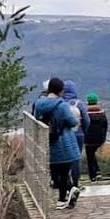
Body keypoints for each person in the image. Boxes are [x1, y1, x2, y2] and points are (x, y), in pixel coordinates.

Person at [33, 78, 81, 209]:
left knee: (55, 172)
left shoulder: (38, 104)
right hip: (63, 141)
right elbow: (72, 122)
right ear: (61, 91)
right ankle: (64, 196)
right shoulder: (62, 105)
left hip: (47, 141)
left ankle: (66, 196)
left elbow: (36, 119)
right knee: (65, 171)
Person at [63, 80, 90, 188]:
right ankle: (76, 182)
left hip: (64, 135)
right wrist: (84, 131)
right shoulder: (79, 104)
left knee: (64, 158)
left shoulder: (61, 104)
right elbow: (87, 120)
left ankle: (65, 181)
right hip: (78, 134)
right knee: (75, 158)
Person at [84, 92, 108, 182]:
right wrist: (103, 137)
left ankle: (93, 175)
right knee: (92, 154)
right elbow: (105, 125)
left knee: (90, 156)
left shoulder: (85, 112)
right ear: (97, 101)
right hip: (99, 138)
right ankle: (97, 172)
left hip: (88, 138)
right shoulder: (101, 112)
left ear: (87, 102)